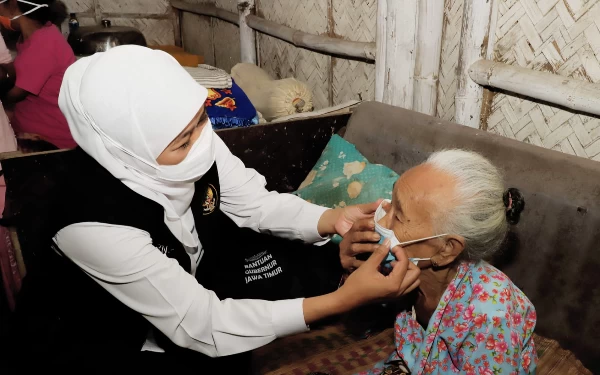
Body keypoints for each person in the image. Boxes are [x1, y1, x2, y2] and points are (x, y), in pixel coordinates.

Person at [8, 46, 421, 374]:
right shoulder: (91, 223)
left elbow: (253, 202)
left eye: (200, 121)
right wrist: (341, 301)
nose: (202, 143)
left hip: (186, 293)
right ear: (126, 151)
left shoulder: (187, 130)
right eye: (182, 143)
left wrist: (331, 219)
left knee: (251, 326)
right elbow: (201, 324)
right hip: (95, 337)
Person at [340, 150, 537, 375]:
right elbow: (359, 325)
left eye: (398, 216)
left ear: (446, 249)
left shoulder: (490, 315)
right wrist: (352, 268)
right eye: (390, 203)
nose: (380, 220)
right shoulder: (397, 268)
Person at [0, 0, 76, 149]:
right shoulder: (39, 35)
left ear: (13, 6)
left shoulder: (43, 44)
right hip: (34, 134)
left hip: (50, 142)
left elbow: (13, 93)